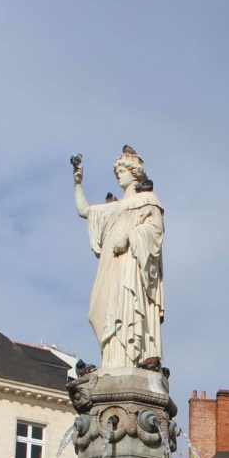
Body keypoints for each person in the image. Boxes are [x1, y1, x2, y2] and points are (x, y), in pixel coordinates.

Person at [72, 147, 164, 370]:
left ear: (134, 173)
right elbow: (84, 211)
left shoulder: (149, 200)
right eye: (117, 171)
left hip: (131, 265)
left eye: (122, 170)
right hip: (110, 266)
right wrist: (78, 183)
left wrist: (130, 237)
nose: (118, 175)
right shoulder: (113, 207)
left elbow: (155, 231)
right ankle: (112, 361)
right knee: (97, 309)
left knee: (127, 308)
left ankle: (129, 360)